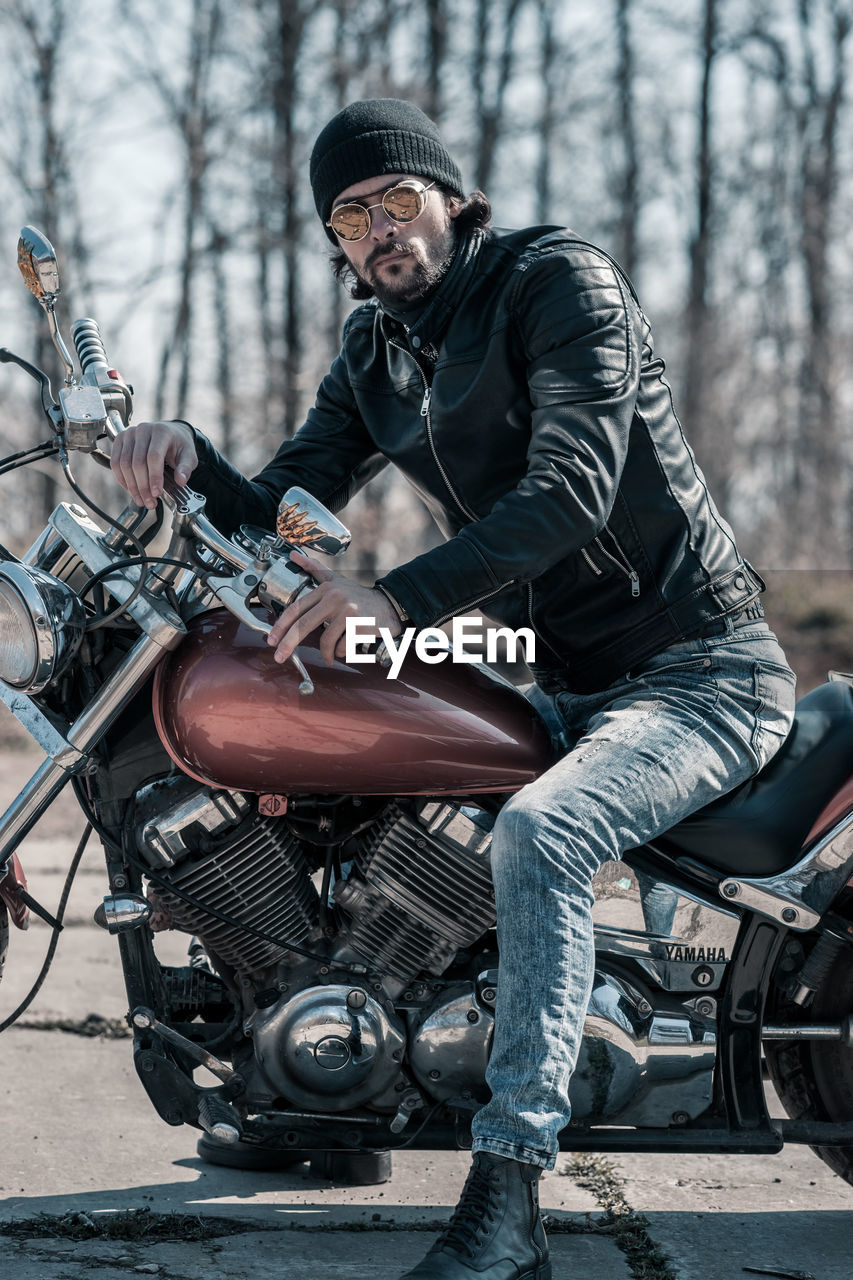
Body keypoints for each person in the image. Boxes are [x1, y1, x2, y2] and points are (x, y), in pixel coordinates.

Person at [110, 98, 797, 1280]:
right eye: (351, 214)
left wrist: (393, 599)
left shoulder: (556, 282)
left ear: (450, 198)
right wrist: (188, 461)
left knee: (545, 828)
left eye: (397, 200)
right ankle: (315, 1083)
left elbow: (572, 489)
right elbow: (288, 501)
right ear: (335, 240)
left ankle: (510, 1193)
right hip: (555, 675)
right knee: (360, 753)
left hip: (699, 667)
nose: (380, 229)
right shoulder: (376, 347)